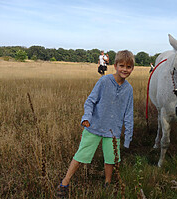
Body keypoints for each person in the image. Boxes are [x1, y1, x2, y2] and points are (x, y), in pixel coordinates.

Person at [56, 50, 135, 197]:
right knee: (81, 155)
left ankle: (107, 183)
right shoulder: (104, 81)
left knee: (110, 160)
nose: (125, 69)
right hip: (94, 126)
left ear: (132, 69)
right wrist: (87, 117)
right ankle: (64, 183)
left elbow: (129, 113)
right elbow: (90, 101)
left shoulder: (129, 89)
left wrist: (128, 136)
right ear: (115, 65)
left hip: (113, 131)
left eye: (128, 67)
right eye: (122, 65)